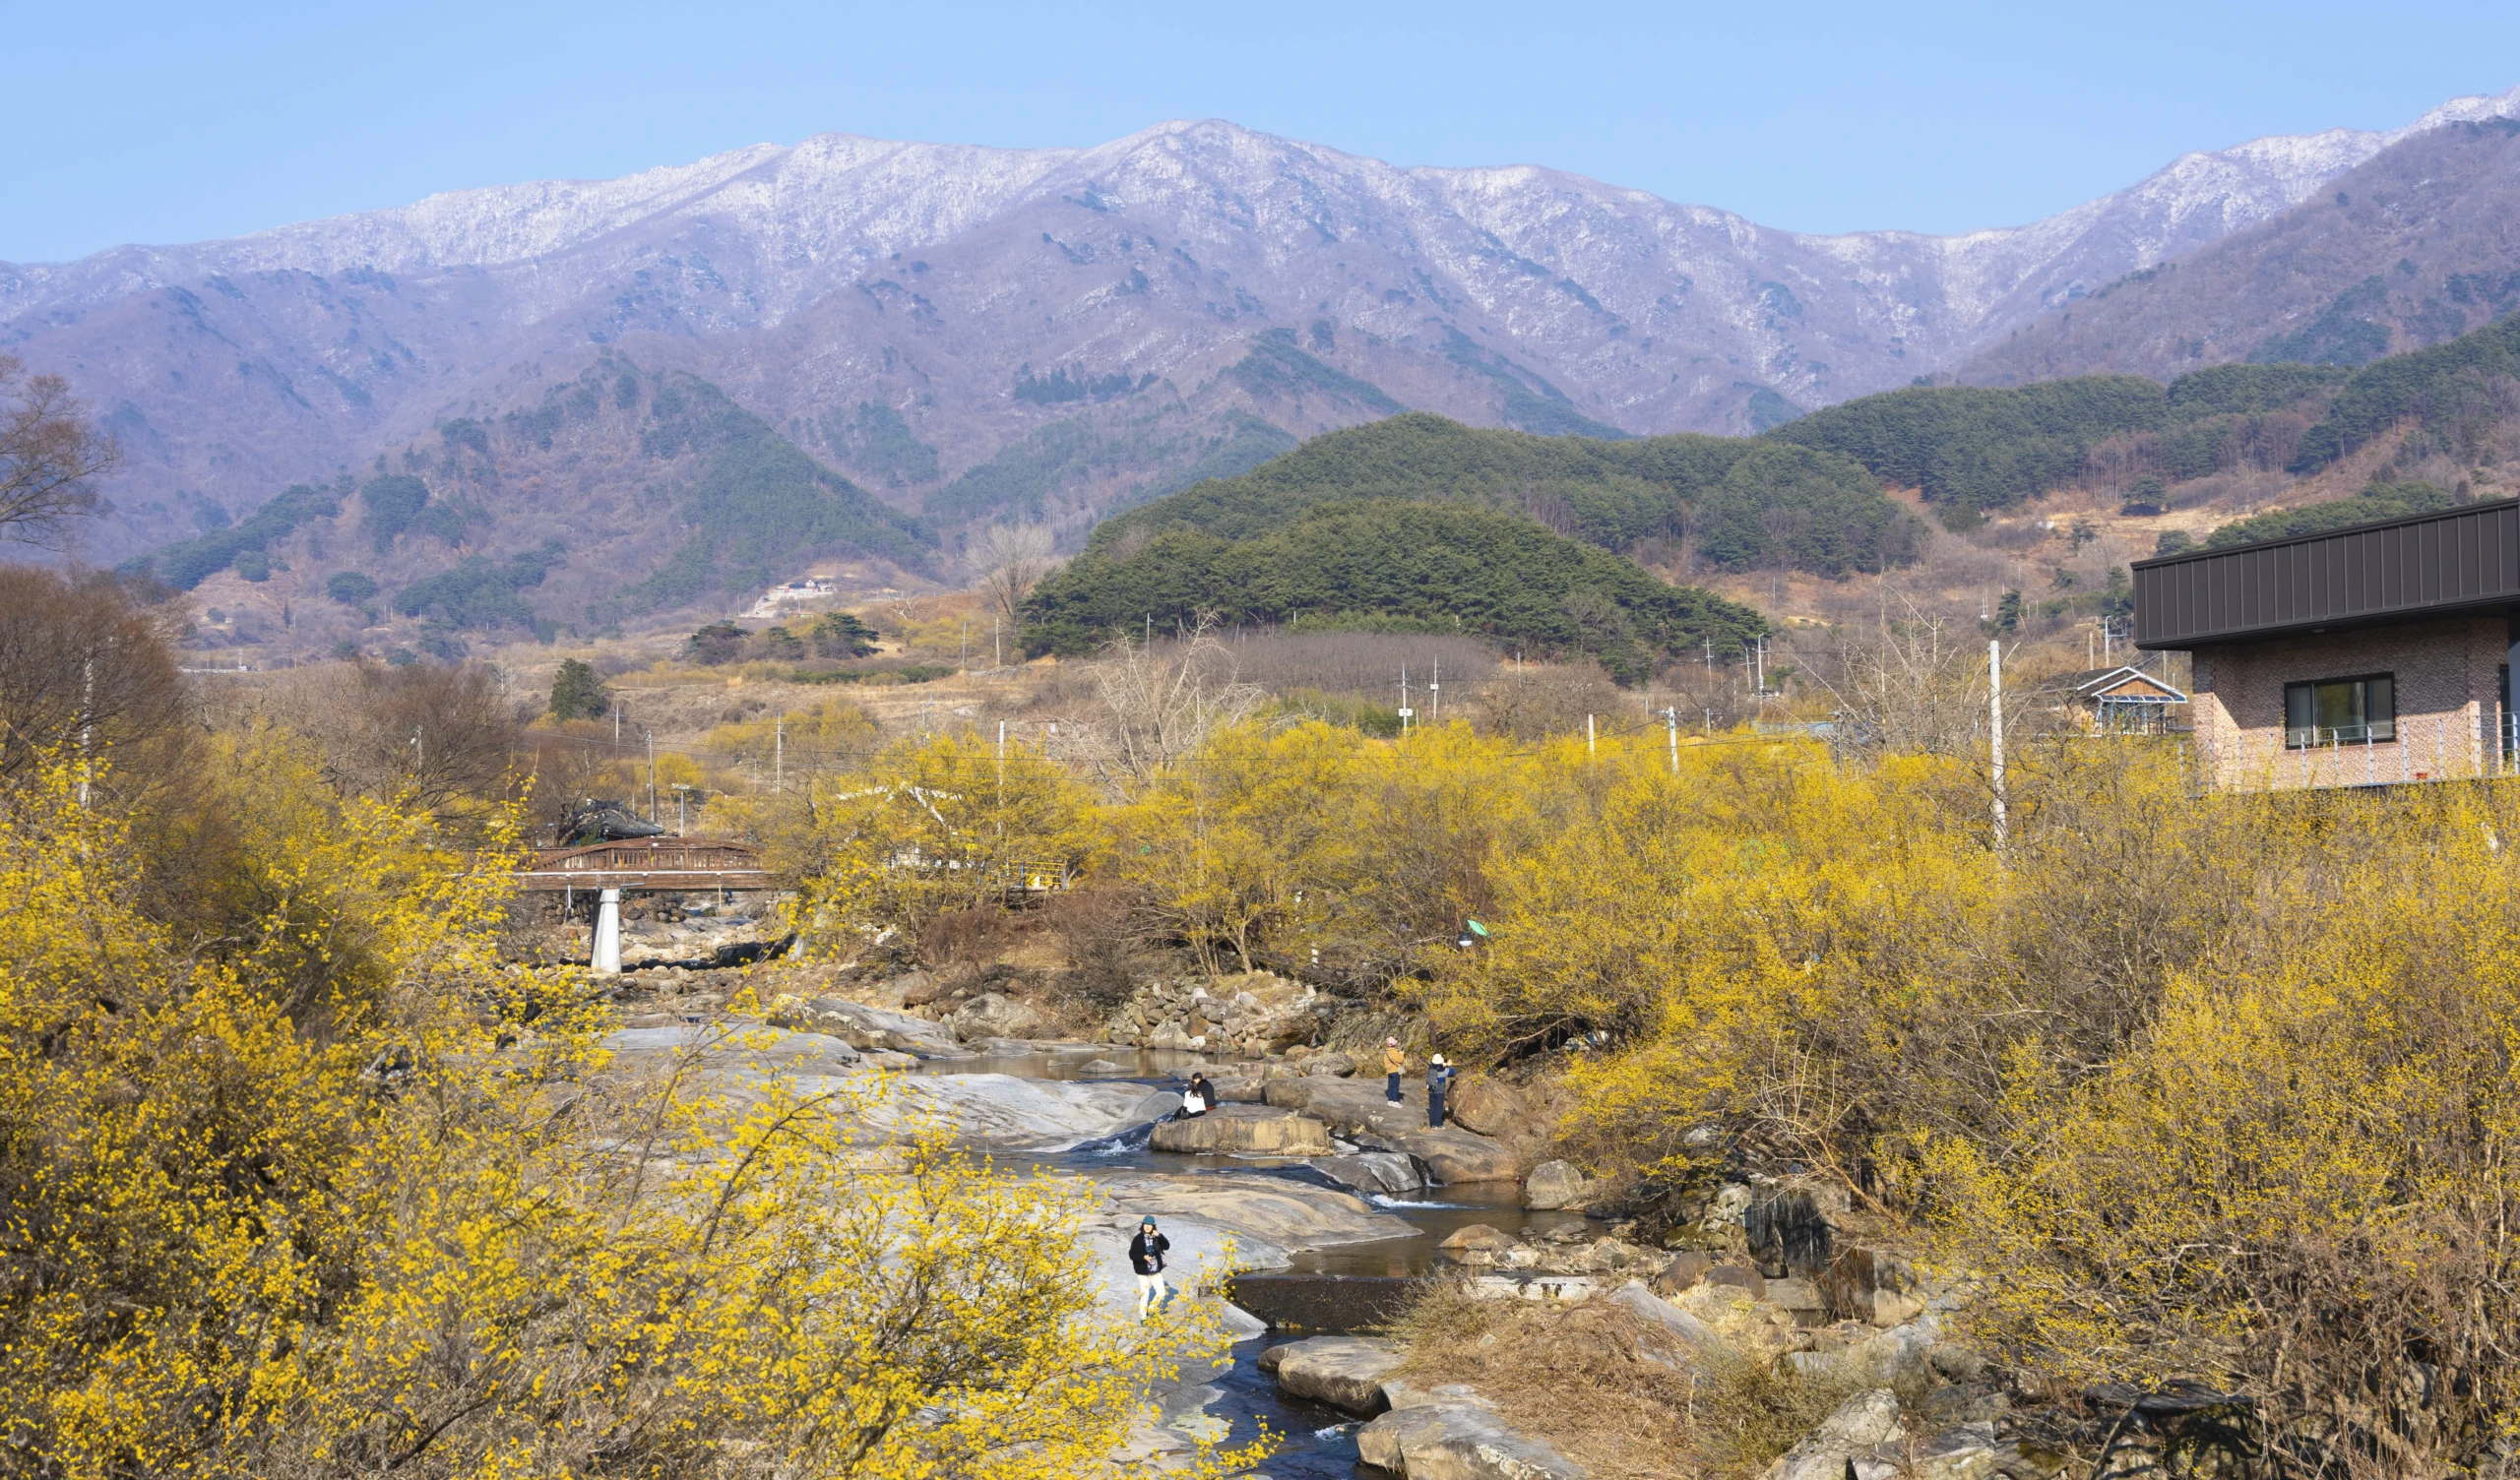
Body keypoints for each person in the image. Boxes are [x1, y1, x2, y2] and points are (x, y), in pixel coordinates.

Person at [1129, 1216, 1171, 1319]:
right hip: (1143, 1272)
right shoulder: (1138, 1239)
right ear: (1143, 1226)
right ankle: (1143, 1318)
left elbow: (1166, 1246)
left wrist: (1160, 1236)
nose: (1147, 1227)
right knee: (1145, 1296)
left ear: (1153, 1226)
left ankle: (1151, 1309)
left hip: (1155, 1270)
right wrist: (1143, 1257)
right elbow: (1132, 1254)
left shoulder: (1156, 1237)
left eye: (1150, 1225)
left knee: (1161, 1293)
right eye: (1145, 1225)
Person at [1426, 1054, 1455, 1129]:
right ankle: (1438, 1123)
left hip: (1431, 1090)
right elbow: (1452, 1072)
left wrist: (1444, 1065)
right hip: (1440, 1091)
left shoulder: (1430, 1068)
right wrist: (1449, 1065)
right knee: (1439, 1107)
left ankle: (1432, 1124)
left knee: (1432, 1107)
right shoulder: (1443, 1070)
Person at [1384, 1037, 1405, 1105]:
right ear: (1393, 1045)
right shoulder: (1394, 1051)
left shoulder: (1386, 1052)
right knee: (1396, 1086)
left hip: (1389, 1071)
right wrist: (1401, 1053)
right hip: (1395, 1070)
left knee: (1390, 1085)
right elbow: (1400, 1060)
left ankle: (1390, 1100)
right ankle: (1395, 1101)